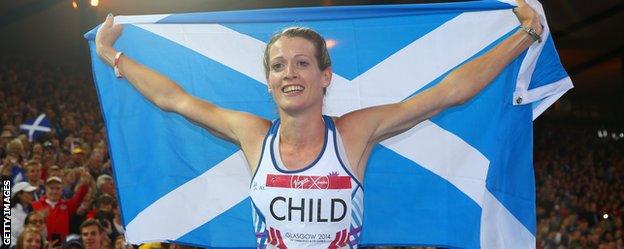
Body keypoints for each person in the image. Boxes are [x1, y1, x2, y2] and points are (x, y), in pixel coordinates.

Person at [95, 0, 543, 247]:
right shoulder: (253, 135)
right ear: (269, 82)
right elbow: (174, 99)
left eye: (302, 63)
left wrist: (524, 36)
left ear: (324, 76)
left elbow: (446, 93)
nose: (289, 73)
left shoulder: (353, 133)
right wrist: (112, 55)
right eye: (278, 66)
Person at [32, 171, 91, 242]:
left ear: (61, 190)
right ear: (46, 189)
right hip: (41, 244)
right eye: (51, 188)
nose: (54, 191)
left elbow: (78, 197)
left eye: (57, 189)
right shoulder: (35, 205)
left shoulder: (67, 205)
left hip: (62, 245)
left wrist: (84, 184)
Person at [10, 182, 39, 246]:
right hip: (15, 245)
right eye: (29, 193)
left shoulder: (32, 210)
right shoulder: (11, 211)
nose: (31, 195)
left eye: (32, 193)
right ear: (19, 194)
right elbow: (18, 232)